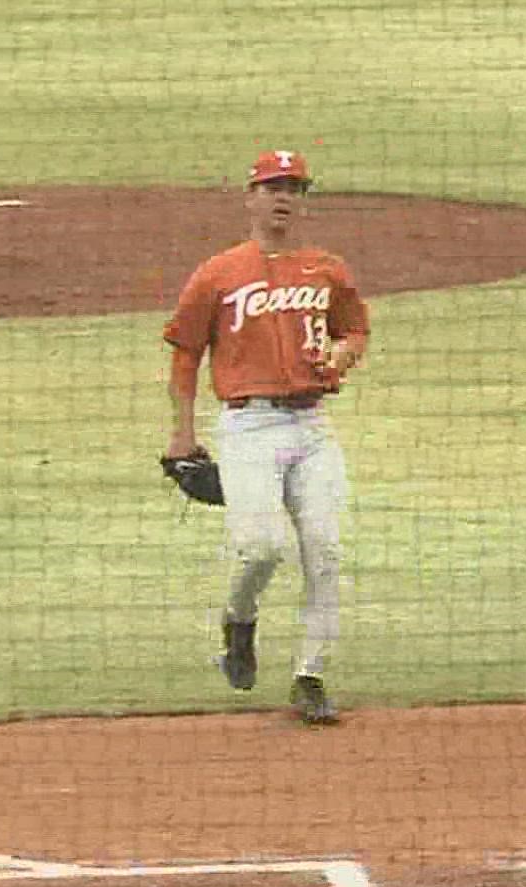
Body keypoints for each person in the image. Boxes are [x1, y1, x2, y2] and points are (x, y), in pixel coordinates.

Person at [161, 150, 371, 725]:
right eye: (273, 186)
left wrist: (343, 355)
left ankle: (311, 674)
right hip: (248, 429)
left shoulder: (327, 269)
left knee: (325, 551)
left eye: (295, 188)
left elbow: (354, 329)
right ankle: (238, 620)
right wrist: (182, 434)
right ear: (250, 197)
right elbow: (186, 352)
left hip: (311, 428)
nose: (284, 196)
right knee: (261, 549)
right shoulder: (219, 272)